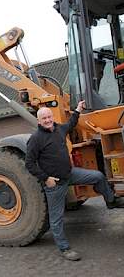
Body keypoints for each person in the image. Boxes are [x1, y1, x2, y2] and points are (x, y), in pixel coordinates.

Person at [25, 101, 124, 261]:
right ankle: (64, 249)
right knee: (56, 218)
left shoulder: (59, 129)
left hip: (70, 174)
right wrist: (46, 178)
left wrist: (78, 109)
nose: (48, 120)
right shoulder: (35, 139)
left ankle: (111, 201)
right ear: (39, 121)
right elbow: (29, 163)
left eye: (49, 116)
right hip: (55, 183)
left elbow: (71, 124)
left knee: (98, 176)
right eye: (44, 118)